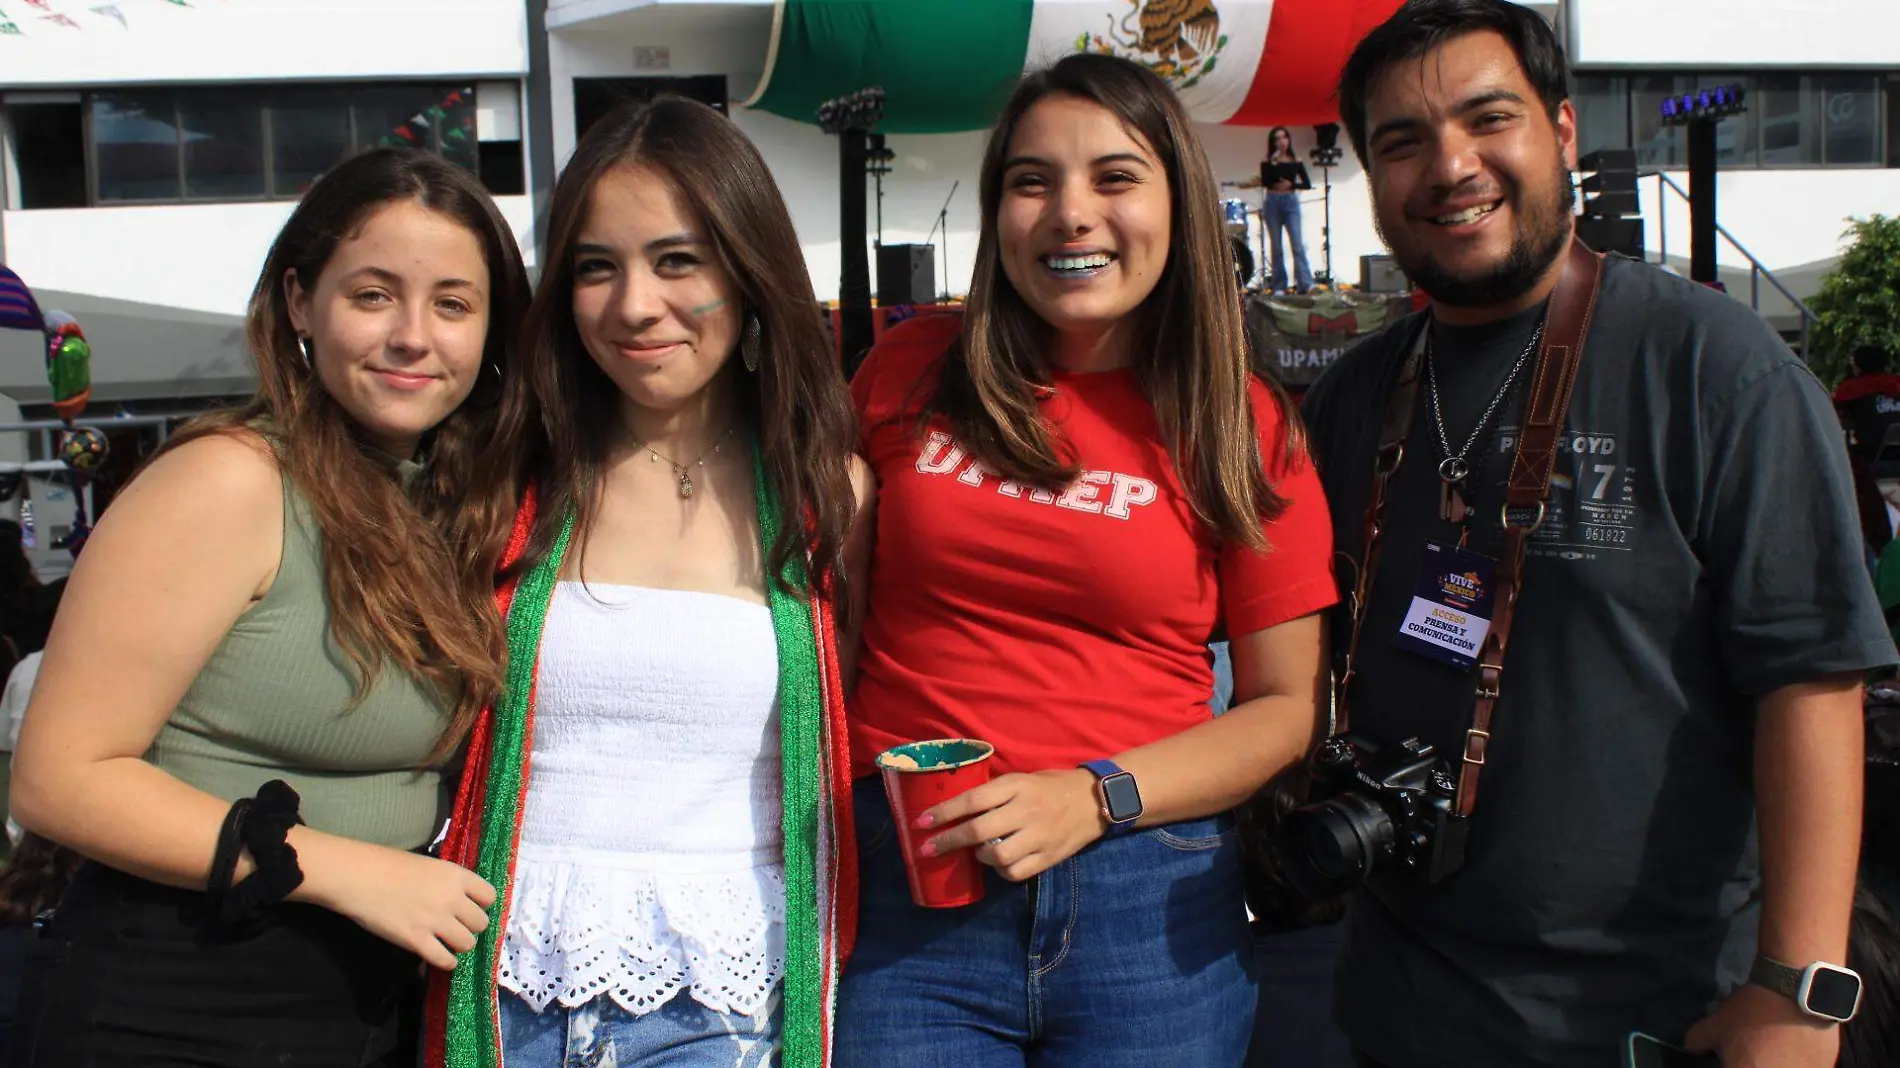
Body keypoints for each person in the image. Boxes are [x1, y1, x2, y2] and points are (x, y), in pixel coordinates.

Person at [1298, 2, 1896, 1066]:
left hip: (1657, 1014)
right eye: (1401, 142)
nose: (1449, 166)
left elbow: (1811, 679)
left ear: (1562, 133)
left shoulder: (1713, 365)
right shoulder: (1354, 396)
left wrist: (1798, 992)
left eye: (1489, 120)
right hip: (1398, 1001)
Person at [837, 52, 1337, 1067]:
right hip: (906, 889)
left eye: (1114, 177)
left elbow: (1285, 710)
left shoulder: (1241, 426)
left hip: (1144, 902)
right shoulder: (908, 367)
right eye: (1032, 180)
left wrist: (1093, 793)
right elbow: (830, 624)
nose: (1071, 211)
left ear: (1177, 202)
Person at [8, 147, 530, 1067]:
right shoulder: (231, 480)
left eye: (453, 304)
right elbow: (58, 777)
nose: (414, 335)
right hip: (182, 993)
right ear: (299, 303)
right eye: (372, 295)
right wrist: (349, 871)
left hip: (363, 997)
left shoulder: (442, 502)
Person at [426, 96, 872, 1068]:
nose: (634, 305)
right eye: (596, 266)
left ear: (750, 274)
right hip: (500, 989)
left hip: (724, 1006)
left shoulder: (825, 493)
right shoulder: (506, 477)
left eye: (678, 261)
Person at [1242, 126, 1315, 294]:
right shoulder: (1267, 161)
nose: (1281, 141)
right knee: (1276, 246)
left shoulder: (1296, 160)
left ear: (1288, 140)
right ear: (1273, 143)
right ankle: (1279, 285)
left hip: (1290, 202)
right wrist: (1273, 162)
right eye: (1277, 138)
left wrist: (1292, 185)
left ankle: (1306, 283)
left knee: (1297, 243)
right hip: (1273, 202)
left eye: (1284, 137)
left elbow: (1307, 183)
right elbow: (1267, 181)